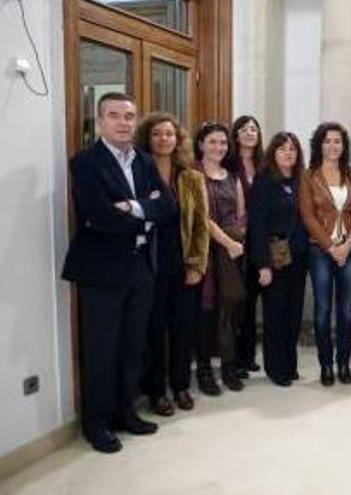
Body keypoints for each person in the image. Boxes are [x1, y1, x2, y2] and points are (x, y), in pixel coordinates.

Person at [62, 92, 173, 453]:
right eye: (115, 115)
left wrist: (130, 206)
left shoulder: (142, 160)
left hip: (141, 268)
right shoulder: (86, 163)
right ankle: (97, 424)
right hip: (102, 272)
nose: (124, 122)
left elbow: (168, 207)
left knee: (132, 346)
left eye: (129, 116)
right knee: (102, 349)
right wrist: (145, 210)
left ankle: (127, 412)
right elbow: (100, 217)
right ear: (101, 121)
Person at [134, 112, 209, 415]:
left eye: (169, 134)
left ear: (178, 140)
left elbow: (202, 226)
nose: (164, 139)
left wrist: (197, 265)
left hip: (183, 266)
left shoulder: (191, 178)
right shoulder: (139, 174)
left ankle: (180, 386)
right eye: (157, 134)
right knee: (153, 332)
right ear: (147, 139)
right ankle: (155, 392)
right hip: (148, 267)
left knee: (182, 329)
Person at [300, 122, 351, 386]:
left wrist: (348, 243)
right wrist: (330, 247)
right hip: (319, 250)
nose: (333, 146)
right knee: (324, 310)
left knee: (346, 311)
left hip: (349, 249)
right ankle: (326, 365)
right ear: (319, 144)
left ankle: (343, 364)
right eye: (327, 141)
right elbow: (307, 215)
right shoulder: (308, 175)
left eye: (338, 141)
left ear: (343, 146)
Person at [248, 132, 309, 387]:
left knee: (294, 312)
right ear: (273, 153)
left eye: (293, 149)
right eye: (282, 149)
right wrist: (262, 264)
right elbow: (257, 224)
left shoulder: (300, 181)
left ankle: (290, 364)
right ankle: (276, 368)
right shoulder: (263, 181)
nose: (288, 153)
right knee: (275, 312)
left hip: (298, 255)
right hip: (273, 255)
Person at [195, 121, 247, 395]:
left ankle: (229, 366)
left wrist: (237, 238)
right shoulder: (194, 174)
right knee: (206, 311)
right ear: (201, 144)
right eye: (212, 141)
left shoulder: (232, 176)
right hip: (206, 252)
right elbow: (202, 218)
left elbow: (241, 214)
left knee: (230, 309)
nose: (218, 147)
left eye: (223, 143)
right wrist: (227, 242)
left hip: (232, 252)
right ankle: (204, 369)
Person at [230, 115, 265, 377]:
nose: (250, 133)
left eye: (254, 129)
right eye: (244, 129)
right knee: (238, 302)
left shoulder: (264, 164)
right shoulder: (229, 164)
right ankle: (235, 358)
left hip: (260, 241)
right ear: (236, 135)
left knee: (252, 301)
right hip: (235, 240)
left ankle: (249, 354)